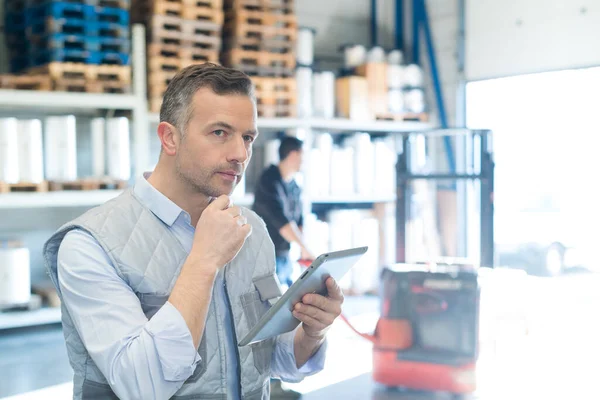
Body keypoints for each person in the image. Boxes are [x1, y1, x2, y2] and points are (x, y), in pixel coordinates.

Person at [43, 63, 343, 400]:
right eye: (219, 133)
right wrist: (204, 261)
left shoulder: (252, 230)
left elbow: (270, 358)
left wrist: (312, 332)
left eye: (247, 138)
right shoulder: (90, 245)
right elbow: (142, 386)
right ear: (170, 138)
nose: (240, 154)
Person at [253, 137, 315, 290]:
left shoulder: (294, 186)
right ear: (293, 155)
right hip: (264, 256)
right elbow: (281, 220)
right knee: (270, 302)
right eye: (303, 155)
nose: (304, 161)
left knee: (287, 296)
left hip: (284, 255)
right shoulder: (269, 180)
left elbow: (298, 221)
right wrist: (304, 247)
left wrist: (302, 249)